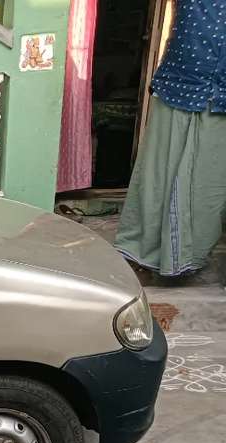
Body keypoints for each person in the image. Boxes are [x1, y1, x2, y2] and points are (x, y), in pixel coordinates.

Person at [115, 0, 226, 277]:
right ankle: (143, 252)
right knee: (158, 176)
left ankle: (185, 258)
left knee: (205, 184)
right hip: (180, 80)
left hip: (218, 94)